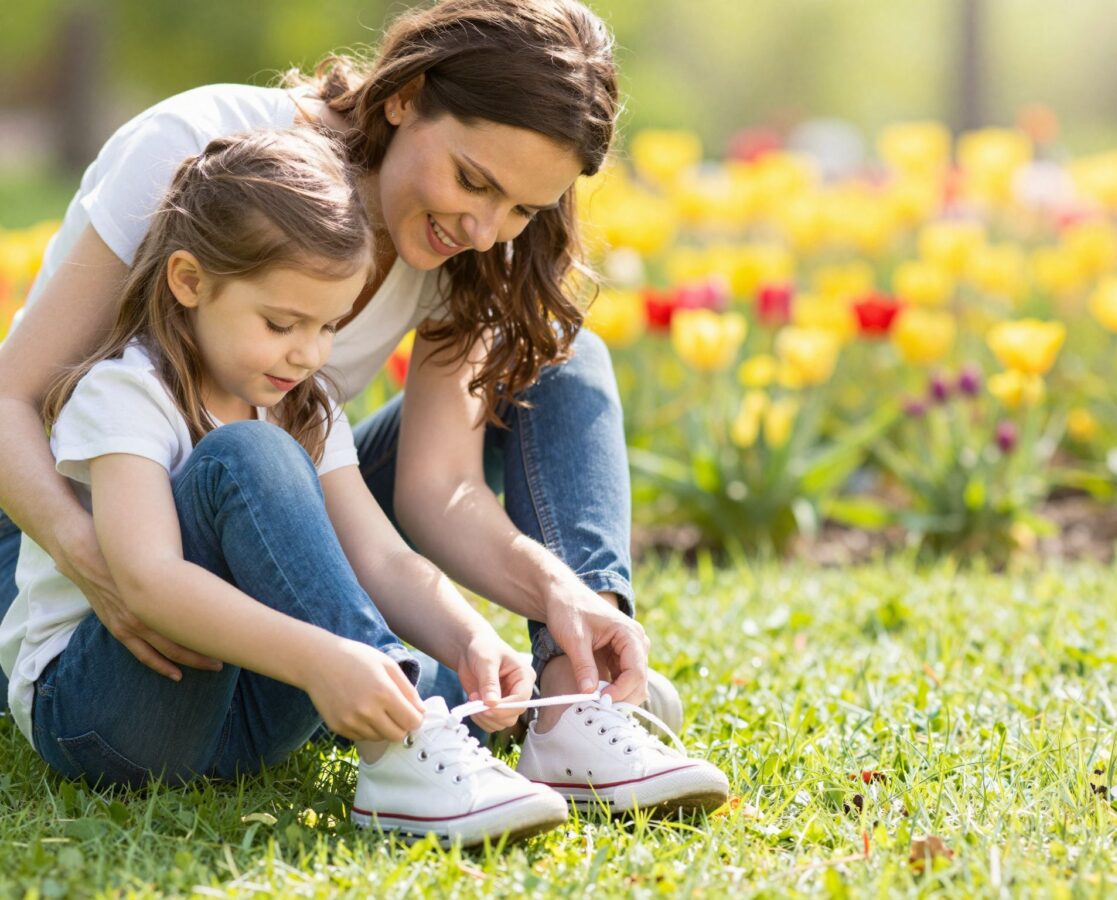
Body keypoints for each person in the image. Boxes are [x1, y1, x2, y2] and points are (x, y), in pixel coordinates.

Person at [0, 0, 729, 816]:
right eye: (474, 180)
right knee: (257, 459)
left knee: (558, 354)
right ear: (404, 98)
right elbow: (8, 400)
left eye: (523, 210)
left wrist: (539, 600)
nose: (486, 230)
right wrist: (97, 561)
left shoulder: (304, 392)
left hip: (265, 521)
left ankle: (577, 697)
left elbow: (431, 494)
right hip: (66, 519)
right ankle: (402, 726)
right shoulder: (200, 158)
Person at [0, 127, 582, 845]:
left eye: (329, 327)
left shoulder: (301, 401)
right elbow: (146, 581)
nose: (307, 354)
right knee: (249, 454)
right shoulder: (123, 394)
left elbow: (379, 558)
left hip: (249, 716)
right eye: (282, 324)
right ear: (190, 282)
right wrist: (323, 659)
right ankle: (404, 752)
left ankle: (537, 712)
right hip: (109, 716)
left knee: (460, 672)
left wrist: (469, 637)